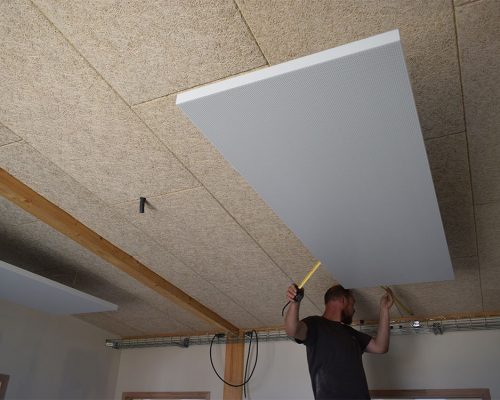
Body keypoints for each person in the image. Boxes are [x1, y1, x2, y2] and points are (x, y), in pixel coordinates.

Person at [284, 284, 394, 400]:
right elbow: (292, 330)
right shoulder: (316, 324)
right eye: (353, 303)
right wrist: (295, 302)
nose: (354, 309)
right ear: (343, 300)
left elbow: (381, 347)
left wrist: (384, 309)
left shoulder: (351, 333)